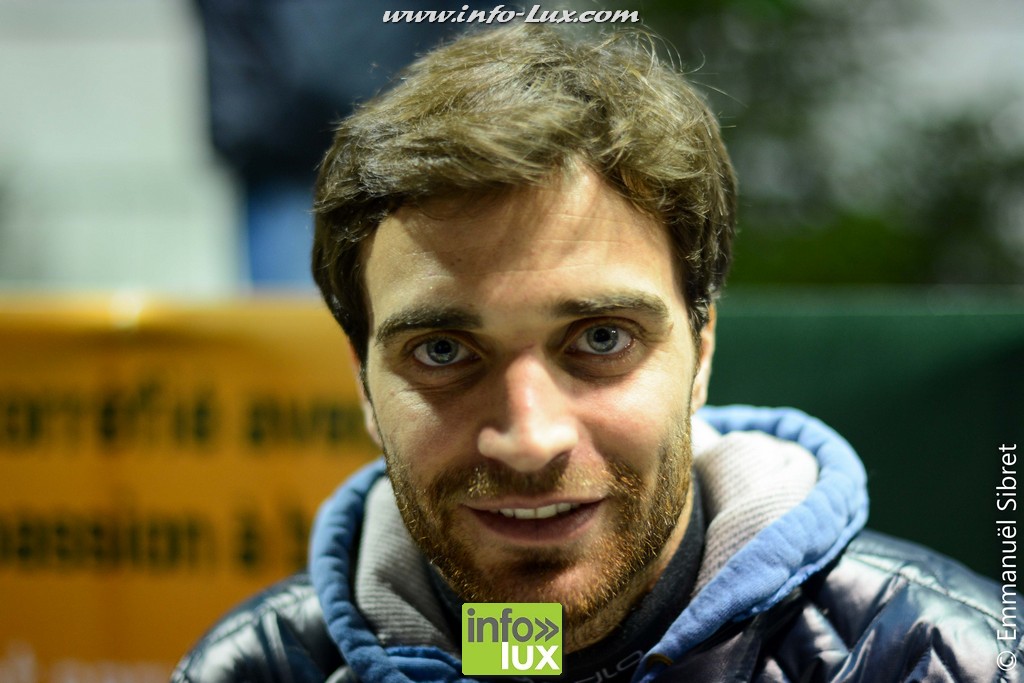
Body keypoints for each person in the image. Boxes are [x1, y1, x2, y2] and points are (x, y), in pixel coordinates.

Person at [173, 24, 1020, 682]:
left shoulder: (950, 660)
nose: (529, 438)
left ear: (702, 353)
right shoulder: (251, 671)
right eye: (442, 350)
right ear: (363, 383)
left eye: (601, 339)